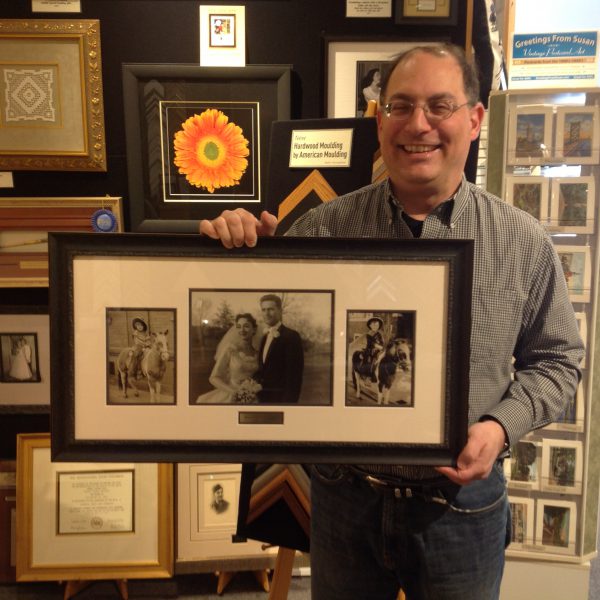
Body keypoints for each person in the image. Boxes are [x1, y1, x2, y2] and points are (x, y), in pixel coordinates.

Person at [199, 43, 583, 599]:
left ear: (475, 120)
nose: (418, 124)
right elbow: (253, 316)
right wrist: (235, 257)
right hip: (346, 500)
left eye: (440, 106)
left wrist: (500, 426)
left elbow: (557, 361)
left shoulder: (522, 242)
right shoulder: (321, 231)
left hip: (462, 509)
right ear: (380, 121)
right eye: (400, 106)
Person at [196, 313, 261, 404]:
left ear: (254, 329)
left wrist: (251, 390)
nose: (242, 330)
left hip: (252, 397)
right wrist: (235, 392)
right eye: (239, 327)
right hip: (230, 394)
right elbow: (213, 378)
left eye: (246, 326)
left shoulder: (258, 353)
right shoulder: (230, 350)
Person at [256, 294, 304, 404]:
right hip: (263, 399)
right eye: (263, 310)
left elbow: (294, 377)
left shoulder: (291, 336)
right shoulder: (264, 337)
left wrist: (288, 405)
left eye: (270, 309)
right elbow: (264, 369)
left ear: (280, 311)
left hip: (281, 400)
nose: (266, 313)